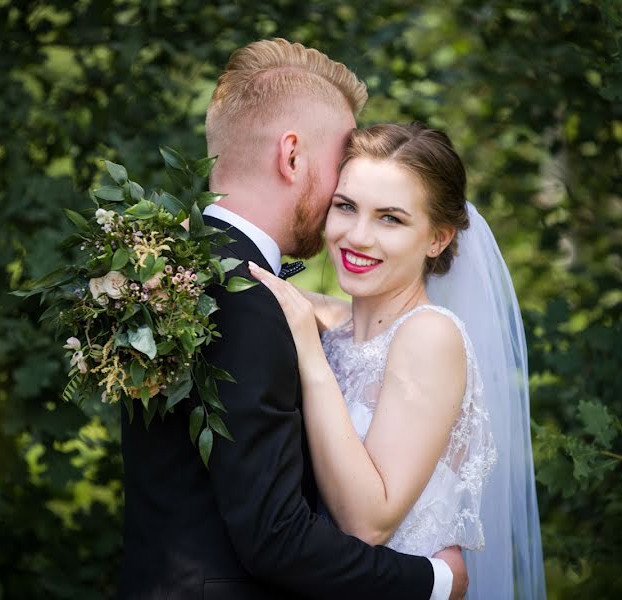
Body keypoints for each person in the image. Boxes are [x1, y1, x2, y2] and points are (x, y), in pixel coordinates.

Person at [118, 40, 468, 599]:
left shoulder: (166, 273)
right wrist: (436, 582)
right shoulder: (245, 299)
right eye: (341, 169)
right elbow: (276, 536)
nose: (342, 198)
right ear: (292, 157)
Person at [249, 123, 547, 599]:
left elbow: (368, 524)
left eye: (391, 218)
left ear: (438, 239)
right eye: (346, 207)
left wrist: (309, 355)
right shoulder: (340, 327)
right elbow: (261, 284)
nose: (358, 236)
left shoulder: (430, 335)